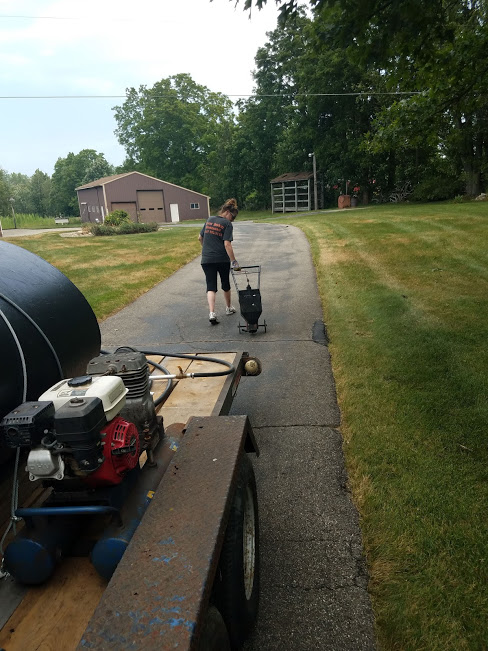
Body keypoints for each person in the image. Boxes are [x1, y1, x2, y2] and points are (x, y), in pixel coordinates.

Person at [199, 198, 240, 324]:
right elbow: (227, 244)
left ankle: (212, 313)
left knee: (211, 286)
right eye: (232, 217)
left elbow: (200, 238)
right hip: (222, 259)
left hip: (206, 259)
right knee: (225, 284)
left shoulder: (209, 219)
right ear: (227, 212)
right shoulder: (227, 224)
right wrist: (234, 261)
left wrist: (207, 250)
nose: (232, 220)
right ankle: (228, 308)